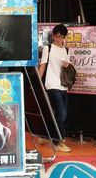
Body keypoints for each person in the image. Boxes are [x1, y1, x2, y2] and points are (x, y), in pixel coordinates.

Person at [38, 24, 72, 152]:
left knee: (61, 113)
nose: (59, 39)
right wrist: (37, 82)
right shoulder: (48, 48)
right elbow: (43, 66)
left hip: (63, 85)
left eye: (62, 37)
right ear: (53, 36)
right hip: (52, 84)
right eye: (57, 36)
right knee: (61, 114)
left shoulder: (66, 50)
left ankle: (46, 136)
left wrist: (67, 66)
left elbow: (68, 68)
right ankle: (58, 142)